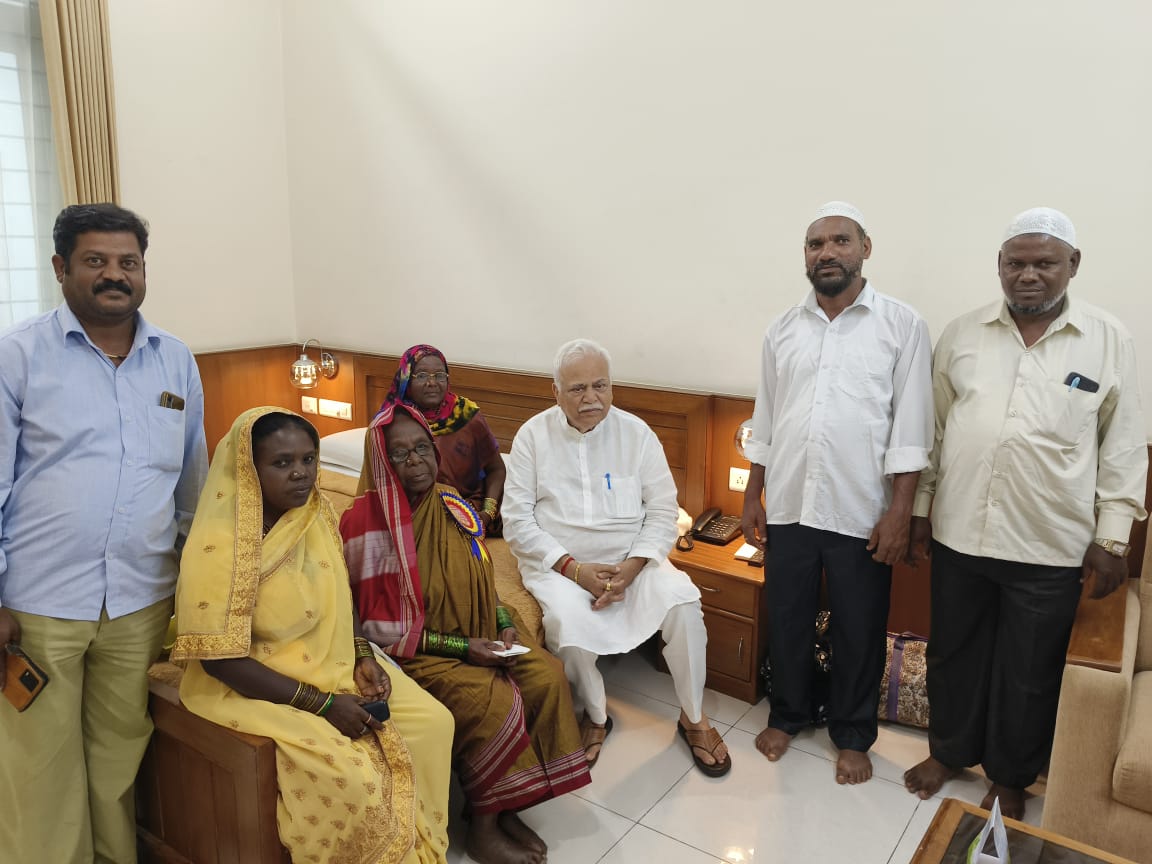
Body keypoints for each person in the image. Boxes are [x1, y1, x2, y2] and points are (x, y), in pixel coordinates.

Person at [903, 207, 1148, 819]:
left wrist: (1113, 539)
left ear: (1073, 265)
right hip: (961, 533)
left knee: (1029, 671)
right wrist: (922, 510)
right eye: (1017, 263)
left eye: (1045, 263)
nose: (1029, 275)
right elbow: (932, 430)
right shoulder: (962, 333)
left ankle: (1011, 776)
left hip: (1050, 545)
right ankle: (949, 751)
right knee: (952, 653)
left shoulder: (1108, 339)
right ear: (1000, 267)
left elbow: (1123, 448)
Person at [0, 204, 208, 863]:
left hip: (141, 600)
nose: (114, 275)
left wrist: (195, 583)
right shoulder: (18, 356)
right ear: (62, 268)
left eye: (128, 263)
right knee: (38, 768)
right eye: (96, 261)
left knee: (120, 759)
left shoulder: (174, 361)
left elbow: (193, 485)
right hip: (39, 602)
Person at [173, 407, 452, 863]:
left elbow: (342, 594)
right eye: (282, 463)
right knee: (355, 777)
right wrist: (324, 704)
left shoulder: (318, 513)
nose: (301, 474)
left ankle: (420, 848)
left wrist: (363, 653)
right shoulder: (221, 545)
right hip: (259, 685)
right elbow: (219, 660)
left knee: (435, 723)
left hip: (338, 662)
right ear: (249, 468)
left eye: (309, 459)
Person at [341, 400, 589, 864]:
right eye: (401, 454)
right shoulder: (365, 524)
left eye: (422, 449)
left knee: (546, 674)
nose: (416, 462)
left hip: (480, 633)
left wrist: (505, 623)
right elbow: (374, 626)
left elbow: (481, 577)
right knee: (493, 702)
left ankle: (509, 800)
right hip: (418, 649)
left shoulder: (451, 502)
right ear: (381, 461)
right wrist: (464, 648)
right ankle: (483, 826)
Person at [740, 201, 933, 785]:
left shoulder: (902, 325)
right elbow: (767, 419)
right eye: (814, 244)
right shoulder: (783, 328)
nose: (826, 252)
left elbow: (912, 428)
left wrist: (900, 512)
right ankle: (789, 713)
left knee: (859, 626)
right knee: (788, 617)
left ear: (865, 248)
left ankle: (853, 733)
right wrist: (754, 495)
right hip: (793, 505)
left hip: (862, 511)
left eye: (839, 241)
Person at [503, 338, 732, 778]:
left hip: (633, 561)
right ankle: (596, 715)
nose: (591, 398)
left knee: (684, 607)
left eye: (600, 386)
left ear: (611, 387)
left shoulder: (636, 434)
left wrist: (634, 566)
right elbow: (516, 521)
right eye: (577, 389)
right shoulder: (533, 436)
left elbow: (664, 510)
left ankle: (694, 717)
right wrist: (575, 570)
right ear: (556, 392)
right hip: (561, 566)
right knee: (566, 628)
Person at [385, 344, 507, 534]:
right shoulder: (392, 421)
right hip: (410, 517)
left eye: (440, 375)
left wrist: (487, 513)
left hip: (468, 513)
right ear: (407, 379)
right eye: (422, 375)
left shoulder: (466, 415)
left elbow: (496, 469)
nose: (432, 383)